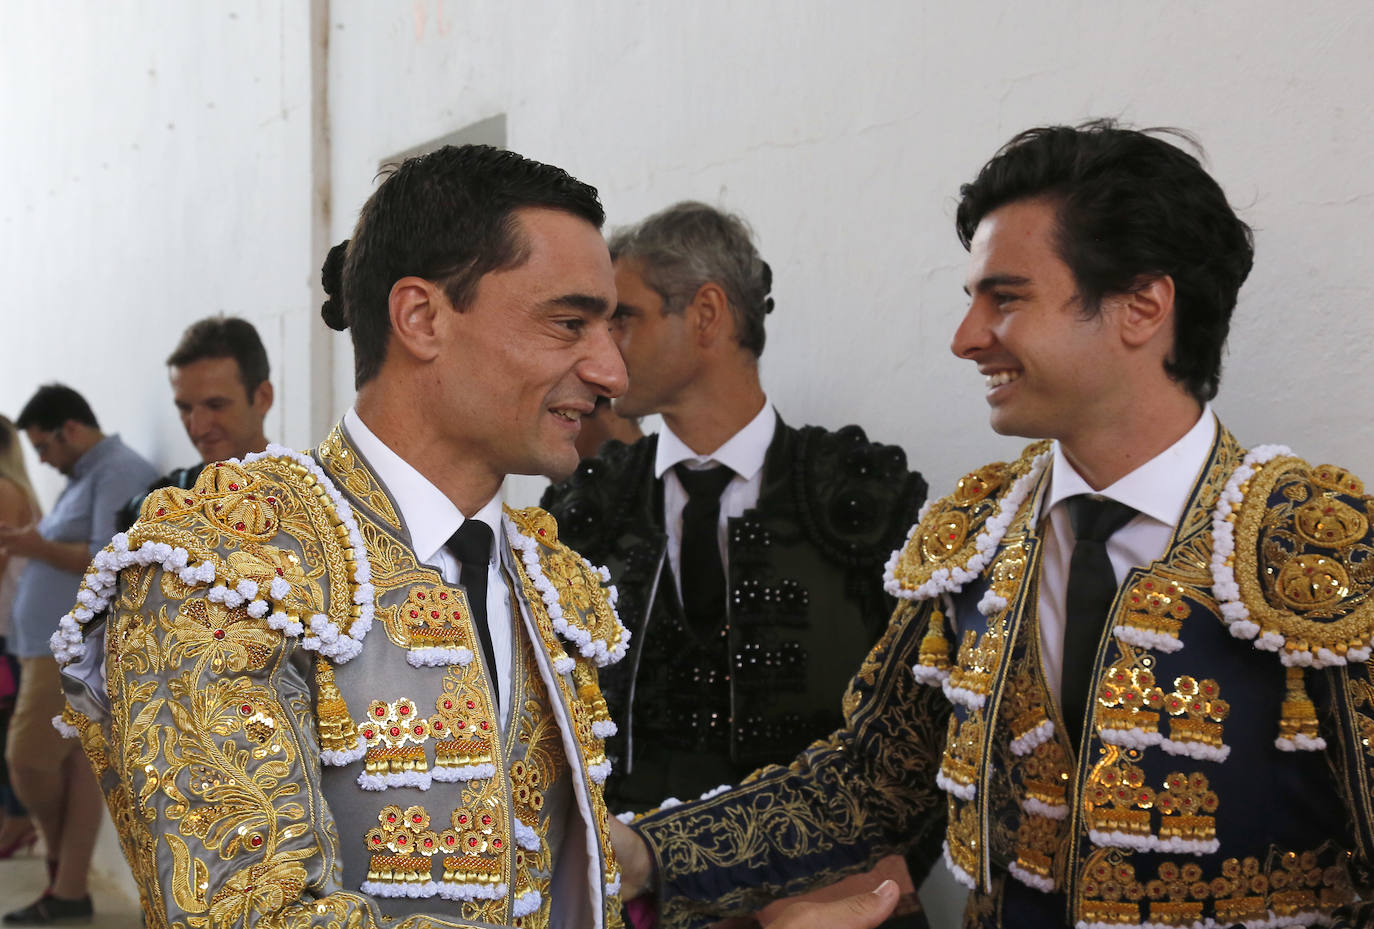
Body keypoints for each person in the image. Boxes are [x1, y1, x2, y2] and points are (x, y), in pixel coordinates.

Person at [612, 120, 1374, 929]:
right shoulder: (973, 534)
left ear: (1143, 308)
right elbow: (870, 782)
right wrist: (647, 851)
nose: (966, 337)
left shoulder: (1323, 550)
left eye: (1005, 297)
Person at [54, 145, 635, 928]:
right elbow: (245, 914)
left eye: (611, 327)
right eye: (570, 323)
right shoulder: (221, 561)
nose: (612, 373)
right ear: (422, 317)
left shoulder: (553, 578)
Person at [541, 202, 933, 924]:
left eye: (624, 318)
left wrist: (871, 888)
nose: (599, 348)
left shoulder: (863, 497)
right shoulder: (583, 507)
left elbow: (923, 736)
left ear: (708, 313)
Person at [1, 384, 157, 923]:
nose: (41, 459)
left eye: (44, 446)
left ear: (68, 429)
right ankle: (67, 888)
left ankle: (49, 852)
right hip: (46, 646)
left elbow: (103, 559)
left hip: (68, 650)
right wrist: (34, 541)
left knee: (26, 762)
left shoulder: (117, 471)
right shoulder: (83, 476)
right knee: (73, 771)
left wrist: (32, 545)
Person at [114, 315, 275, 531]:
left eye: (216, 405)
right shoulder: (164, 499)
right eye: (185, 408)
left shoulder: (308, 498)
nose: (197, 428)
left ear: (262, 398)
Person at [0, 415, 41, 860]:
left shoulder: (4, 490)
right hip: (11, 628)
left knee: (6, 729)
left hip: (8, 629)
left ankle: (16, 820)